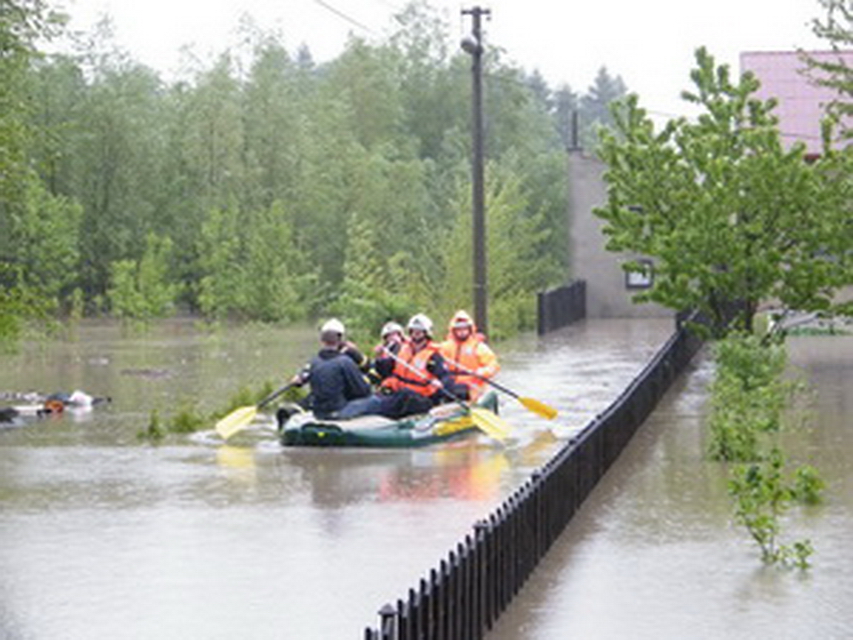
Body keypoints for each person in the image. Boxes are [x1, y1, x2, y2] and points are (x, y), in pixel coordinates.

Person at [290, 318, 375, 420]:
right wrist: (369, 378)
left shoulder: (314, 362)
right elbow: (363, 391)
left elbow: (300, 379)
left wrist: (298, 379)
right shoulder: (345, 362)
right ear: (340, 340)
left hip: (318, 412)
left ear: (322, 339)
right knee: (373, 401)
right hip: (339, 411)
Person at [375, 313, 455, 419]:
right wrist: (380, 358)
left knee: (406, 395)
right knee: (387, 395)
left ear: (426, 333)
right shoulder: (401, 349)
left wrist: (440, 383)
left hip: (422, 399)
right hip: (399, 394)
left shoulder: (434, 355)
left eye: (420, 331)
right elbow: (385, 370)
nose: (416, 333)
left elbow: (447, 377)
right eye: (413, 330)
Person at [439, 310, 500, 401]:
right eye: (459, 329)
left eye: (464, 329)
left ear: (470, 329)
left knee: (461, 392)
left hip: (473, 384)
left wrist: (482, 372)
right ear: (453, 330)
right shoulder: (444, 347)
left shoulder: (478, 347)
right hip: (451, 383)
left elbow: (493, 366)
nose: (462, 332)